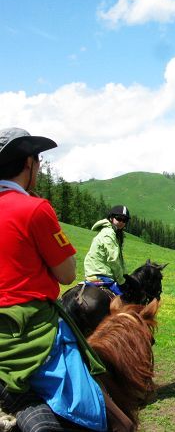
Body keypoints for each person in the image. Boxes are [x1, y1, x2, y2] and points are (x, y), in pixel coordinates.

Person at [0, 127, 108, 431]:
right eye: (38, 160)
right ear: (28, 164)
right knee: (92, 409)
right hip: (32, 332)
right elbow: (67, 274)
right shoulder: (35, 209)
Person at [83, 206, 131, 296]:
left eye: (124, 220)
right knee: (127, 299)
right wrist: (122, 281)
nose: (121, 222)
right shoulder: (109, 234)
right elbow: (113, 260)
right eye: (119, 218)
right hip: (101, 274)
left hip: (96, 272)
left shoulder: (111, 232)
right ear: (111, 218)